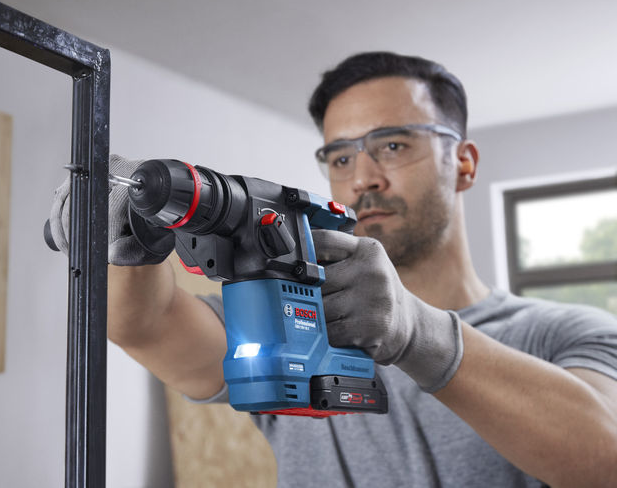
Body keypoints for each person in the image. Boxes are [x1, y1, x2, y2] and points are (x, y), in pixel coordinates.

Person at [49, 52, 617, 487]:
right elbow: (143, 323)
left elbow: (605, 460)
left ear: (463, 163)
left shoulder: (561, 333)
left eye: (393, 146)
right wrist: (133, 234)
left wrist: (416, 331)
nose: (363, 177)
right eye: (341, 156)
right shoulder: (287, 320)